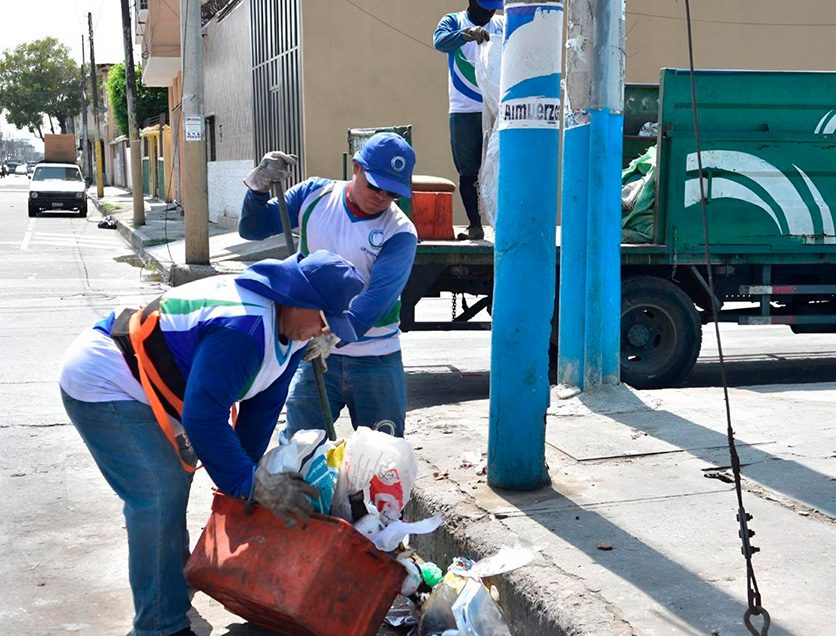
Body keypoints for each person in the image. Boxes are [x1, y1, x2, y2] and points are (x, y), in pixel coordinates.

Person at [59, 251, 364, 636]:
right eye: (324, 320)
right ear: (299, 298)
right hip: (107, 377)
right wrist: (249, 483)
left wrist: (246, 489)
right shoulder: (245, 330)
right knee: (158, 491)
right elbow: (203, 418)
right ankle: (158, 625)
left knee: (176, 487)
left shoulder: (287, 335)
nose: (325, 332)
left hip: (157, 386)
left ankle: (169, 585)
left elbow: (260, 413)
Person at [239, 132, 418, 439]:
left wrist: (330, 339)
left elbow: (376, 300)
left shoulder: (400, 231)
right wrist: (257, 188)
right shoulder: (314, 195)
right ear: (356, 168)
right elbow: (253, 228)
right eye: (375, 186)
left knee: (382, 461)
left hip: (376, 358)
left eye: (391, 193)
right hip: (313, 353)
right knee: (301, 450)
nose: (381, 197)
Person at [434, 0, 505, 241]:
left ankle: (503, 222)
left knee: (500, 166)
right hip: (464, 109)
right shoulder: (453, 21)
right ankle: (475, 224)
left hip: (495, 107)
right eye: (486, 8)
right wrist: (466, 35)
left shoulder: (501, 25)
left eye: (494, 8)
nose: (490, 13)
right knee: (468, 171)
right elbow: (439, 41)